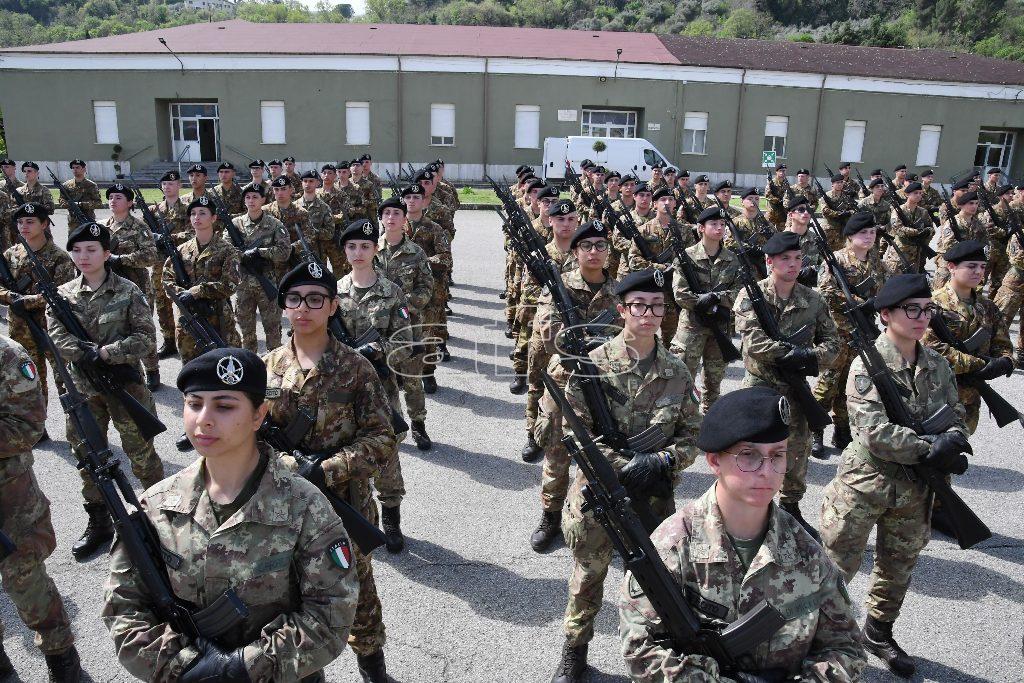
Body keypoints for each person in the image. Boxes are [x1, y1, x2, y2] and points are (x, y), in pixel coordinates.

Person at [102, 347, 359, 682]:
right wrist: (185, 667)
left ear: (258, 415)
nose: (204, 419)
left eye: (224, 406)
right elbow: (123, 608)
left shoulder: (305, 506)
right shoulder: (156, 505)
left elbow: (332, 613)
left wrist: (241, 669)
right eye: (194, 404)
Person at [618, 387, 866, 682]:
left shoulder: (806, 552)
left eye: (777, 455)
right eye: (749, 455)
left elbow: (846, 648)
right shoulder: (673, 546)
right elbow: (640, 649)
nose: (767, 471)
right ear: (714, 461)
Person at [552, 268, 700, 683]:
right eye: (639, 306)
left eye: (657, 306)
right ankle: (574, 649)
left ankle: (659, 656)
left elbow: (693, 436)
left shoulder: (677, 371)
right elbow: (575, 434)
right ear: (622, 310)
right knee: (588, 577)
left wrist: (662, 460)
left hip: (653, 496)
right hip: (599, 494)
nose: (648, 314)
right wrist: (622, 467)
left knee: (657, 581)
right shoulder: (594, 366)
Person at [820, 273, 970, 678]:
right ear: (886, 315)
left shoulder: (937, 363)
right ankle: (818, 637)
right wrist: (930, 448)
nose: (922, 318)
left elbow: (955, 413)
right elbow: (874, 432)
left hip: (916, 487)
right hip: (866, 482)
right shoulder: (867, 364)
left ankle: (878, 631)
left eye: (927, 310)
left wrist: (954, 440)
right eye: (912, 310)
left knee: (899, 564)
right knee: (836, 565)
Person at [265, 265, 396, 682]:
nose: (303, 308)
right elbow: (247, 437)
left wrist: (326, 469)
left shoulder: (356, 368)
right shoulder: (267, 367)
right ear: (284, 307)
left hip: (343, 504)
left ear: (333, 306)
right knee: (292, 595)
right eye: (294, 299)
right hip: (285, 510)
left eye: (315, 299)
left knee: (358, 592)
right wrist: (288, 466)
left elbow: (382, 438)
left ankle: (373, 668)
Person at [47, 222, 165, 561]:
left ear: (107, 253)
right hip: (83, 392)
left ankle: (162, 516)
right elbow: (56, 337)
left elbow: (146, 339)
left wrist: (105, 353)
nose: (83, 256)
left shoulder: (128, 290)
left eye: (91, 250)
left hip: (125, 387)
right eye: (77, 250)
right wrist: (84, 354)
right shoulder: (62, 295)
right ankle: (99, 522)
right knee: (89, 458)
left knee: (141, 456)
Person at [734, 231, 839, 535]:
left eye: (797, 258)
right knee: (752, 451)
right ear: (770, 262)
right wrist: (791, 355)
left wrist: (807, 357)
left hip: (796, 389)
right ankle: (749, 511)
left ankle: (790, 509)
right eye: (785, 259)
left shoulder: (813, 299)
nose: (793, 264)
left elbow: (833, 345)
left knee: (796, 451)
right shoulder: (752, 295)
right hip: (760, 387)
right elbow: (754, 343)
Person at [529, 219, 620, 551]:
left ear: (608, 251)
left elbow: (631, 337)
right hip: (564, 380)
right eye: (586, 246)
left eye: (600, 245)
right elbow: (550, 334)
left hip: (606, 382)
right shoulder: (558, 287)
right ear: (576, 251)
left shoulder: (620, 292)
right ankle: (551, 515)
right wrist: (597, 342)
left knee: (606, 451)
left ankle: (608, 518)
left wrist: (588, 342)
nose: (594, 252)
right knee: (556, 452)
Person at [0, 333, 81, 681]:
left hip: (9, 495)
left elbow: (28, 425)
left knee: (25, 578)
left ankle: (60, 652)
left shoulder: (6, 354)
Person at [336, 219, 414, 553]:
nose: (358, 252)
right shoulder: (333, 294)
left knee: (387, 456)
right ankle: (357, 521)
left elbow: (406, 343)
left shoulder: (391, 292)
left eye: (365, 246)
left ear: (375, 249)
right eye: (352, 246)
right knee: (347, 455)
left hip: (381, 391)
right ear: (345, 251)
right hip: (343, 394)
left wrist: (378, 349)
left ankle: (391, 519)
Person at [812, 211, 889, 460]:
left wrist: (878, 305)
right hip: (837, 331)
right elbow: (826, 291)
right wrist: (858, 302)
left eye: (872, 232)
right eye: (863, 233)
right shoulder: (836, 260)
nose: (869, 237)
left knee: (851, 383)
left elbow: (885, 290)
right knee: (827, 383)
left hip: (863, 331)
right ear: (850, 236)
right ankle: (815, 431)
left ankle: (842, 430)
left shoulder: (877, 262)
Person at [0, 202, 77, 426]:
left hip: (53, 328)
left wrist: (27, 301)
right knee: (30, 380)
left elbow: (62, 292)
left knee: (66, 379)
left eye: (30, 222)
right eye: (20, 222)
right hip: (20, 328)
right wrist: (10, 296)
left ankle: (78, 426)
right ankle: (36, 428)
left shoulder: (59, 257)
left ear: (44, 224)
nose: (23, 226)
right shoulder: (11, 254)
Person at [517, 199, 578, 459]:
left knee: (577, 385)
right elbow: (529, 292)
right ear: (550, 221)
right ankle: (533, 435)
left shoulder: (585, 254)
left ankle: (575, 436)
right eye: (560, 219)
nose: (566, 224)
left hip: (577, 331)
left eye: (571, 219)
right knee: (537, 384)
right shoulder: (539, 257)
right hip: (544, 332)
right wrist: (555, 297)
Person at [669, 205, 741, 415]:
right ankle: (683, 420)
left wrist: (716, 298)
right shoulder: (687, 257)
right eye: (714, 224)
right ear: (701, 228)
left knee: (714, 382)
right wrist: (702, 302)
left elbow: (739, 292)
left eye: (722, 224)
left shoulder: (732, 259)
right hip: (692, 327)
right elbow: (680, 294)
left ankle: (710, 420)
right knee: (682, 378)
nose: (719, 228)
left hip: (719, 327)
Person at [376, 196, 435, 450]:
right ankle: (387, 426)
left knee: (412, 380)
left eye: (396, 213)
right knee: (382, 381)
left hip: (409, 327)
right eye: (387, 213)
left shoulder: (416, 253)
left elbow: (426, 288)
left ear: (404, 219)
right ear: (381, 218)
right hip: (378, 329)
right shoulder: (370, 251)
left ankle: (418, 425)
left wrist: (403, 303)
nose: (391, 218)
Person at [104, 182, 161, 390]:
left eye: (118, 197)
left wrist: (121, 259)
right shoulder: (102, 227)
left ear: (129, 203)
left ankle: (152, 369)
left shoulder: (139, 227)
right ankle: (129, 371)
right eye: (111, 197)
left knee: (143, 330)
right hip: (112, 288)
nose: (113, 201)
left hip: (137, 287)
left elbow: (150, 256)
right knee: (117, 329)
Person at [402, 184, 451, 392]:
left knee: (427, 333)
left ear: (423, 201)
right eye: (408, 197)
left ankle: (428, 373)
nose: (412, 201)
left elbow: (445, 258)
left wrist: (422, 262)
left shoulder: (434, 228)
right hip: (401, 290)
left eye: (416, 197)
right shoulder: (395, 228)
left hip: (427, 289)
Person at [232, 182, 290, 353]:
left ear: (263, 200)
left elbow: (285, 252)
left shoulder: (274, 224)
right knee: (247, 334)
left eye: (255, 197)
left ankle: (275, 366)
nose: (251, 201)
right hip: (243, 285)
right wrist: (243, 255)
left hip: (267, 282)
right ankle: (250, 364)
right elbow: (227, 251)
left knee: (273, 333)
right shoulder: (235, 224)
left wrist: (260, 252)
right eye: (248, 197)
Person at [151, 170, 192, 359]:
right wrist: (155, 237)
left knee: (182, 299)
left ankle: (187, 337)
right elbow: (144, 234)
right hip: (160, 263)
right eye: (165, 184)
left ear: (179, 186)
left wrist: (170, 237)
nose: (167, 187)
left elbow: (192, 232)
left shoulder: (188, 208)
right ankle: (168, 341)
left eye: (171, 184)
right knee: (161, 301)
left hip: (181, 261)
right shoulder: (154, 211)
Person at [883, 181, 933, 274]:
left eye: (920, 193)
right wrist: (917, 232)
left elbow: (931, 228)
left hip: (915, 252)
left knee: (912, 278)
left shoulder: (923, 212)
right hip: (900, 251)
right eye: (915, 193)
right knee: (894, 276)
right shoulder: (899, 211)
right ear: (907, 195)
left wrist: (926, 232)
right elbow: (898, 229)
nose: (918, 195)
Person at [59, 159, 103, 231]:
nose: (75, 170)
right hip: (72, 222)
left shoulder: (91, 185)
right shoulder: (66, 185)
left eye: (77, 167)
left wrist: (81, 204)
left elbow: (98, 203)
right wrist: (68, 204)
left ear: (84, 169)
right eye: (73, 168)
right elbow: (62, 201)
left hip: (88, 219)